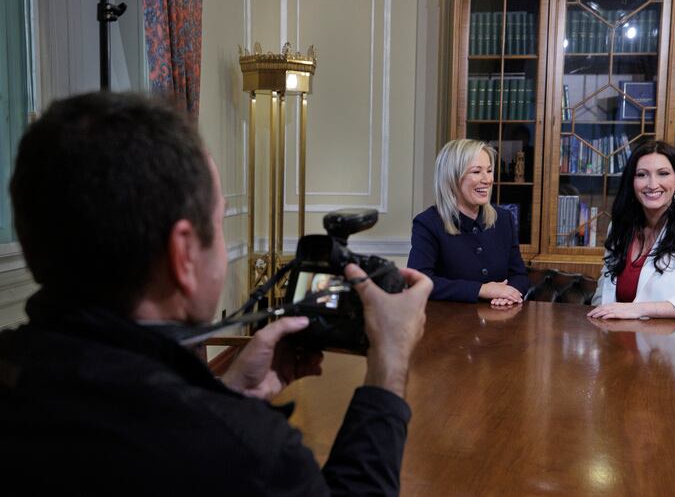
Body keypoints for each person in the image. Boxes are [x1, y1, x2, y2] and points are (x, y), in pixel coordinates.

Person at [0, 92, 432, 495]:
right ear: (183, 253)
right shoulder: (252, 455)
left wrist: (223, 394)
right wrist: (388, 370)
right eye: (221, 223)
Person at [588, 140, 675, 320]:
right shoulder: (619, 226)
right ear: (632, 182)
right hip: (619, 340)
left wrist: (638, 309)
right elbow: (604, 294)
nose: (652, 184)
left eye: (663, 174)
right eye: (642, 175)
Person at [407, 139, 529, 305]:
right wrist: (482, 289)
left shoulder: (504, 219)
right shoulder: (428, 223)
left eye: (489, 170)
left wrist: (507, 294)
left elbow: (519, 275)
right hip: (449, 325)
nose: (487, 180)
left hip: (500, 322)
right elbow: (419, 282)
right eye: (477, 172)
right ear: (452, 177)